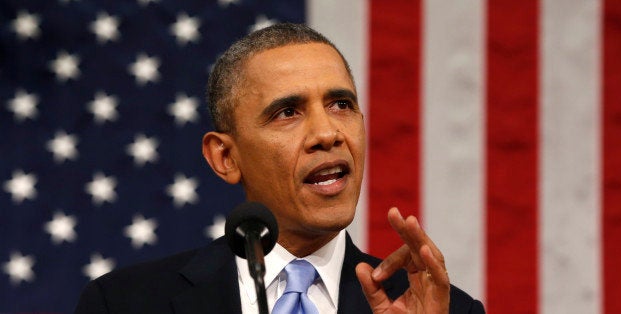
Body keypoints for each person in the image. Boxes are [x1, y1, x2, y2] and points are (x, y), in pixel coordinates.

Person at [75, 23, 485, 314]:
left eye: (341, 104)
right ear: (225, 157)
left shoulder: (446, 310)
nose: (327, 133)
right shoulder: (124, 303)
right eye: (288, 112)